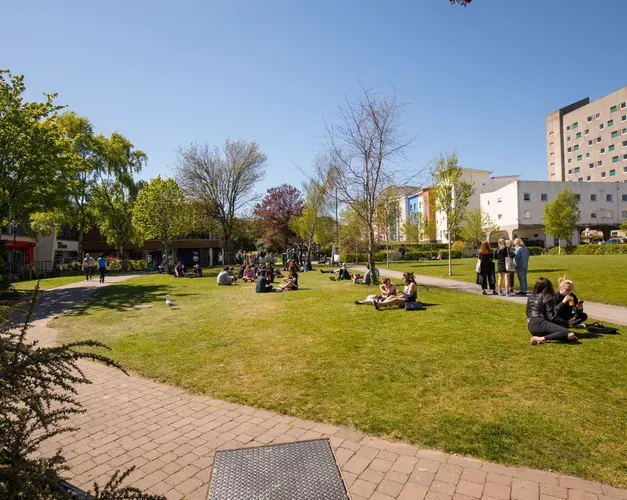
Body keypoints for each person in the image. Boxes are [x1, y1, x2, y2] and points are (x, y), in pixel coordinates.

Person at [527, 277, 578, 345]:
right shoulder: (548, 297)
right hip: (541, 323)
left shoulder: (531, 297)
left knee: (571, 338)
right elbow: (552, 317)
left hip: (531, 325)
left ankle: (542, 337)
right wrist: (567, 322)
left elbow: (527, 313)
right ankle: (540, 339)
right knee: (567, 333)